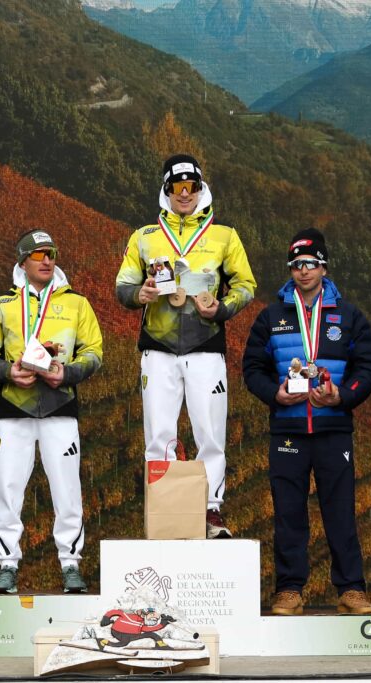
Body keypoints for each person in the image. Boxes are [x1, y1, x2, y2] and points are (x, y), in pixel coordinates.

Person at [115, 154, 256, 538]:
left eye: (190, 186)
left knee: (209, 432)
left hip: (206, 345)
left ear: (200, 188)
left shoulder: (224, 235)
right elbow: (122, 286)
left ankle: (210, 512)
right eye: (176, 187)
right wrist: (139, 293)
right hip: (157, 348)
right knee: (158, 433)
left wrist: (223, 307)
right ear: (166, 190)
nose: (184, 194)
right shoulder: (144, 236)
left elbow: (246, 285)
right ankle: (165, 509)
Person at [243, 229, 371, 616]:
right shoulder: (271, 316)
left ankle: (351, 590)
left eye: (310, 264)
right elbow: (252, 368)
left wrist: (343, 395)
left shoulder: (348, 316)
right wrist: (275, 394)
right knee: (288, 513)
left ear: (323, 267)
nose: (303, 271)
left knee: (341, 511)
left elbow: (367, 368)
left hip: (333, 428)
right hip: (288, 429)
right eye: (296, 265)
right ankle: (289, 590)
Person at [0, 229, 103, 594]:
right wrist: (7, 371)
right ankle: (7, 564)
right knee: (7, 488)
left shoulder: (77, 304)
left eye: (52, 253)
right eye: (38, 254)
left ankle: (71, 563)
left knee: (67, 489)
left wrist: (69, 373)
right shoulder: (1, 305)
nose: (47, 260)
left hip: (60, 408)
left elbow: (94, 351)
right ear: (22, 261)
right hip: (13, 409)